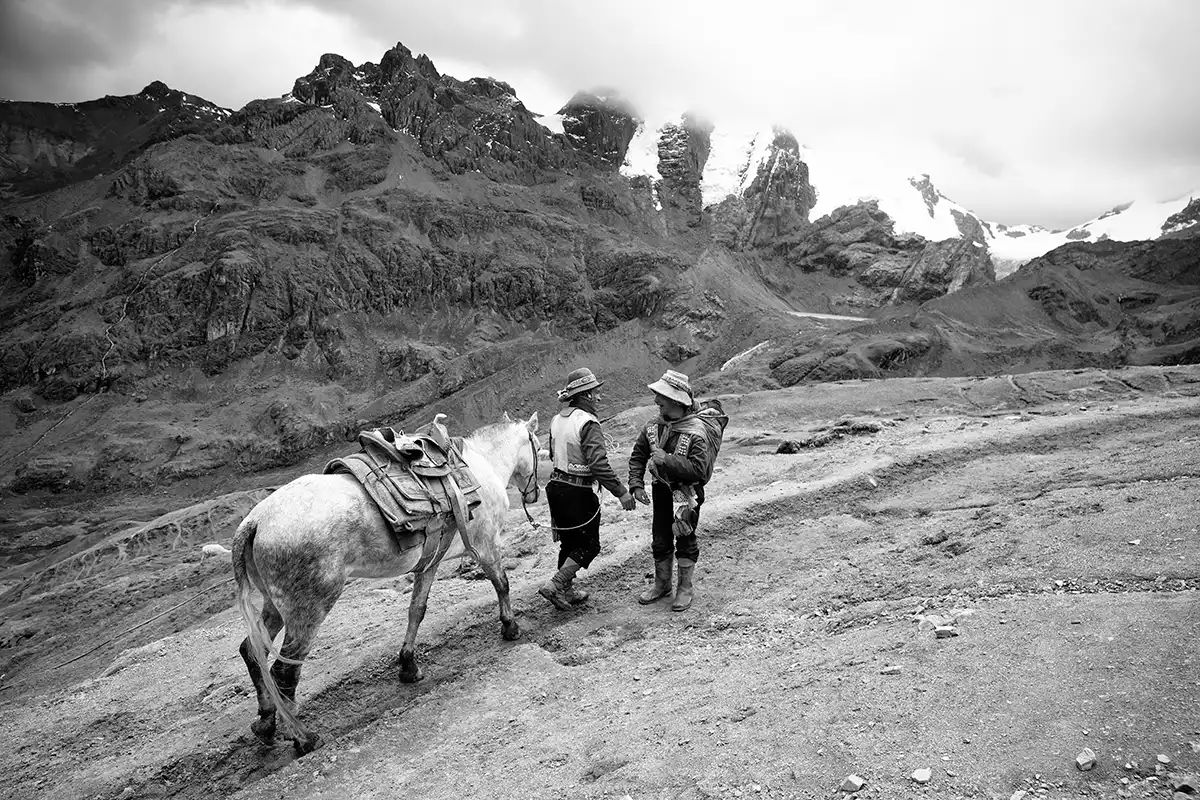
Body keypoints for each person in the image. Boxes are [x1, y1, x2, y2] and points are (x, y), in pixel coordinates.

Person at [539, 367, 637, 611]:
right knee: (589, 545)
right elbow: (598, 464)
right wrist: (621, 492)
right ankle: (556, 585)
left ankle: (568, 591)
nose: (599, 398)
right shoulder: (588, 423)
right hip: (578, 492)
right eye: (595, 393)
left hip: (556, 487)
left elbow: (553, 454)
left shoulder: (557, 419)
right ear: (584, 396)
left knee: (569, 543)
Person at [628, 369, 725, 612]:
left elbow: (699, 472)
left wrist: (667, 459)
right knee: (660, 538)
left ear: (675, 401)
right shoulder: (653, 427)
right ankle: (662, 584)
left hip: (688, 495)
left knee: (685, 536)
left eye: (660, 396)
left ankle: (685, 588)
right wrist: (636, 484)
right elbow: (638, 456)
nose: (656, 401)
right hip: (661, 490)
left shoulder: (696, 432)